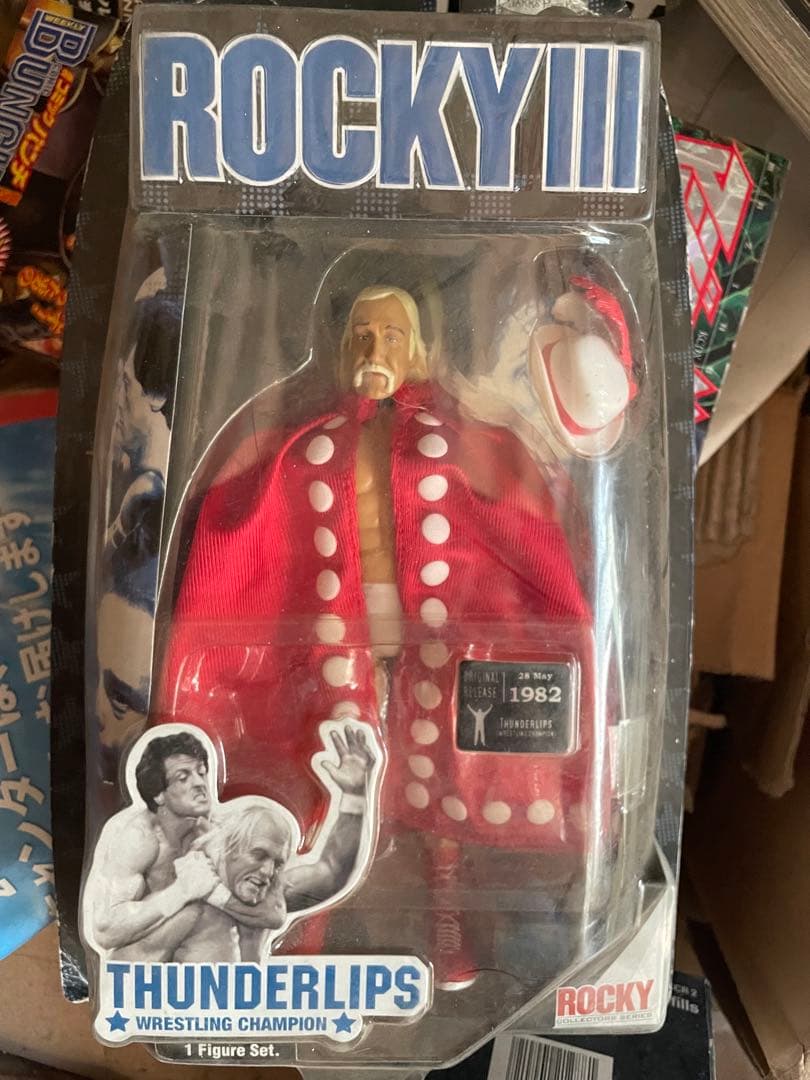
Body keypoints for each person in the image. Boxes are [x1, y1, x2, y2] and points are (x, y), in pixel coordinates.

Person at [156, 280, 636, 986]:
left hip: (435, 644)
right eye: (361, 335)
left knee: (442, 767)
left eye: (389, 335)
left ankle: (446, 907)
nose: (373, 349)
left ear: (419, 349)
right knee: (327, 777)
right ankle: (305, 923)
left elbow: (524, 539)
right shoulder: (300, 444)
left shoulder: (471, 442)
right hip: (334, 646)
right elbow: (240, 539)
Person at [83, 724, 378, 962]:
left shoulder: (228, 834)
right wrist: (182, 891)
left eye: (201, 772)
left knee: (222, 915)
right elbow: (105, 931)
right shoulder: (138, 839)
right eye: (183, 777)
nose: (199, 783)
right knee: (199, 915)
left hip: (238, 993)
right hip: (154, 987)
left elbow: (326, 875)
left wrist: (354, 797)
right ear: (158, 794)